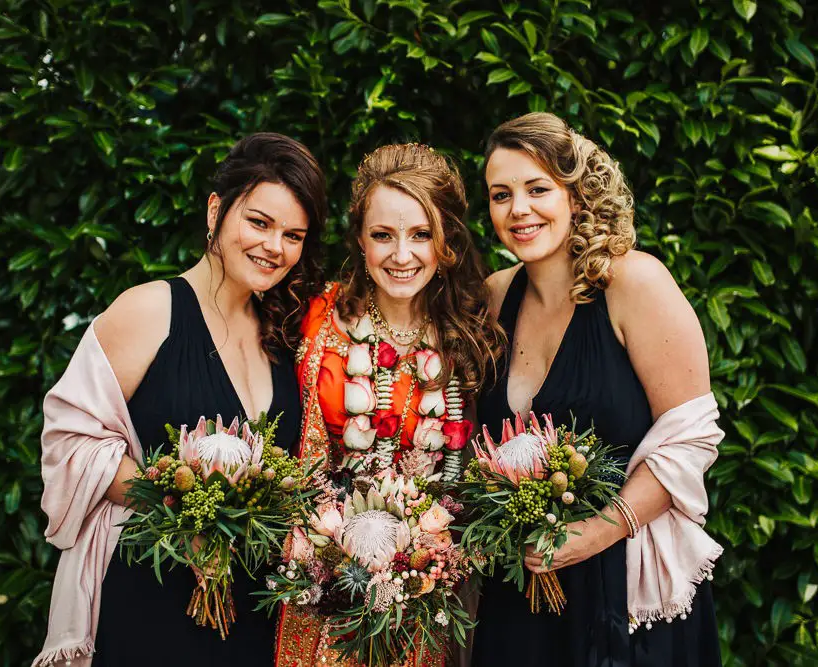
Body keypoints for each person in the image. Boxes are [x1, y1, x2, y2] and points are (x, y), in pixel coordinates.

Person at [33, 133, 327, 667]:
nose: (274, 247)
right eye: (258, 222)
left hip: (256, 610)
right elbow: (71, 440)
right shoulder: (148, 311)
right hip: (155, 591)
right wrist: (178, 513)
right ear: (216, 210)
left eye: (293, 235)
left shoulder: (285, 334)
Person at [472, 112, 723, 667]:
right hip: (522, 591)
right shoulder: (493, 299)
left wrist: (595, 532)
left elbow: (692, 438)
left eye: (538, 189)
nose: (519, 210)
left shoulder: (634, 283)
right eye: (500, 194)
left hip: (625, 584)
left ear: (575, 194)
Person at [274, 143, 505, 667]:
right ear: (359, 238)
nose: (402, 255)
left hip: (427, 594)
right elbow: (299, 455)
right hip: (325, 587)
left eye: (421, 234)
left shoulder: (471, 336)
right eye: (383, 235)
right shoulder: (317, 321)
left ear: (446, 241)